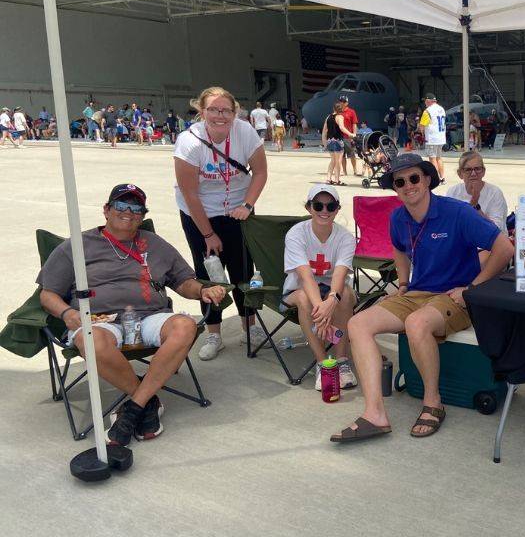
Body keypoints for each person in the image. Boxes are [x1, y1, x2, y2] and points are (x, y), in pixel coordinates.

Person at [330, 153, 514, 442]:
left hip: (454, 296)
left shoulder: (457, 212)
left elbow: (504, 248)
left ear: (428, 179)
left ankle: (433, 403)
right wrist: (403, 282)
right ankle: (375, 414)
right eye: (400, 181)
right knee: (357, 324)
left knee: (416, 323)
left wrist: (473, 289)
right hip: (416, 293)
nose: (408, 185)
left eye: (414, 178)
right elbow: (399, 249)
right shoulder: (397, 217)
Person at [36, 184, 227, 445]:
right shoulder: (77, 246)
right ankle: (148, 402)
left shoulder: (156, 244)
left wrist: (203, 290)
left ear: (143, 214)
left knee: (185, 325)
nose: (129, 212)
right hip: (100, 320)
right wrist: (66, 312)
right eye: (121, 205)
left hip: (150, 316)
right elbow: (47, 295)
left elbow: (184, 282)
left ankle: (134, 407)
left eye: (136, 208)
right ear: (106, 210)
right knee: (91, 340)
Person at [174, 86, 269, 361]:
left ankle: (249, 327)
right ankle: (214, 333)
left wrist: (248, 205)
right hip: (199, 213)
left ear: (234, 112)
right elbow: (189, 192)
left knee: (243, 270)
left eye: (226, 110)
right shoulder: (188, 141)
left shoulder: (244, 131)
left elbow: (260, 172)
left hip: (238, 210)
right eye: (213, 110)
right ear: (202, 112)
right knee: (209, 274)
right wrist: (208, 234)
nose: (220, 115)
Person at [283, 185, 358, 390]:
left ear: (337, 209)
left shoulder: (345, 237)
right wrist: (322, 311)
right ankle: (323, 363)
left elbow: (341, 275)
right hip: (297, 290)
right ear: (309, 208)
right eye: (318, 205)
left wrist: (331, 301)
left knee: (346, 295)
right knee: (305, 298)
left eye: (330, 206)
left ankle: (341, 361)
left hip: (332, 288)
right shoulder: (296, 234)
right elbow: (305, 277)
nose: (324, 211)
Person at [446, 151, 508, 266]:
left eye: (477, 169)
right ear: (460, 174)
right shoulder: (453, 192)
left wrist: (475, 206)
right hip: (462, 246)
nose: (473, 173)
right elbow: (448, 226)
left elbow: (495, 231)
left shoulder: (494, 193)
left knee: (470, 266)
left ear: (483, 172)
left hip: (490, 245)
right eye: (468, 170)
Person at [321, 101, 354, 186]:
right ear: (341, 109)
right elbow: (342, 128)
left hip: (330, 141)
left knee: (332, 161)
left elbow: (324, 131)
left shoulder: (328, 117)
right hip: (338, 141)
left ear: (333, 108)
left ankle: (328, 179)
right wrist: (350, 134)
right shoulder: (340, 117)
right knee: (338, 162)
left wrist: (325, 143)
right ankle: (337, 180)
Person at [418, 93, 447, 184]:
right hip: (441, 137)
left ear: (428, 101)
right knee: (439, 158)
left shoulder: (427, 111)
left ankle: (435, 179)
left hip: (432, 138)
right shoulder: (441, 109)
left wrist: (421, 131)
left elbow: (422, 126)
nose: (425, 103)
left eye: (425, 101)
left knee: (432, 159)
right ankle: (442, 178)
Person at [338, 95, 359, 176]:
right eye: (340, 101)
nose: (341, 103)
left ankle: (355, 170)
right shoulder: (338, 112)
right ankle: (344, 171)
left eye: (343, 102)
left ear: (347, 103)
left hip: (348, 137)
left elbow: (354, 124)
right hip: (340, 137)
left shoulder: (351, 112)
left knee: (352, 155)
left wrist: (354, 135)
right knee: (342, 155)